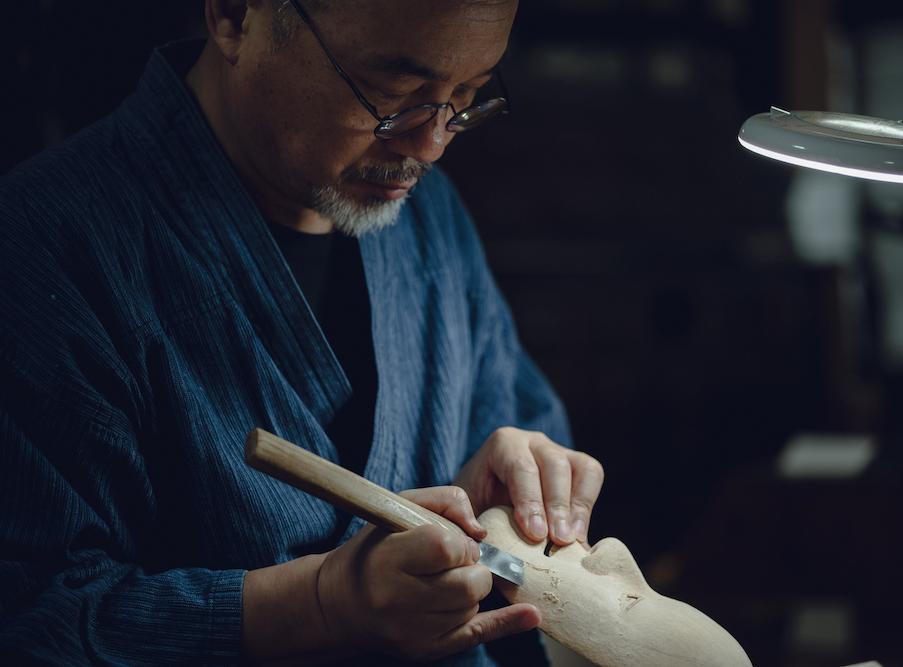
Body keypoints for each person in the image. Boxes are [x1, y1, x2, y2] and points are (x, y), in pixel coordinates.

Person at [0, 0, 605, 665]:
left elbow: (521, 532)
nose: (430, 146)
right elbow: (34, 621)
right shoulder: (42, 250)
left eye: (466, 96)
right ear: (234, 17)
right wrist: (316, 603)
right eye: (391, 94)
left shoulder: (433, 225)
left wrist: (495, 513)